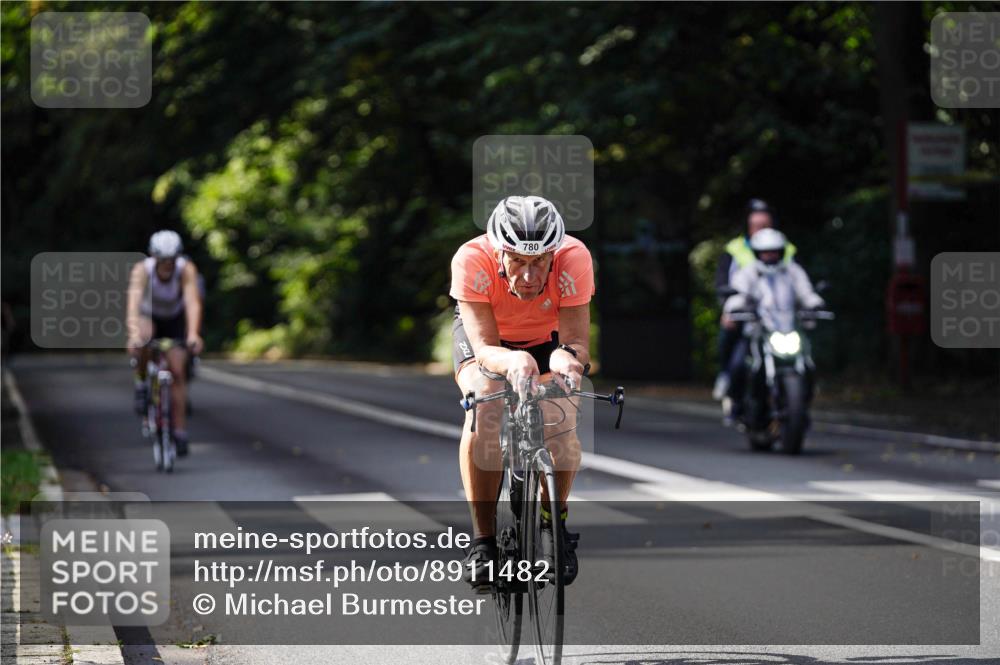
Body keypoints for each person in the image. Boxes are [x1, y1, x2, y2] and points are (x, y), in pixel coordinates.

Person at [450, 195, 594, 591]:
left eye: (540, 262)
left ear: (554, 253)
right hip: (490, 342)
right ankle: (482, 542)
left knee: (561, 416)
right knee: (484, 404)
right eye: (517, 261)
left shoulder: (575, 257)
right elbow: (483, 350)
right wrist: (513, 362)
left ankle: (554, 522)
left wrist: (568, 359)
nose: (529, 276)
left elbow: (577, 340)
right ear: (499, 253)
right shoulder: (471, 259)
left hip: (547, 340)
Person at [721, 228, 824, 421]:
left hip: (787, 330)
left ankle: (801, 406)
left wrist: (815, 304)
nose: (770, 255)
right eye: (766, 252)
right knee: (737, 366)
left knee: (809, 366)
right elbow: (738, 294)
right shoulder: (750, 273)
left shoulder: (792, 271)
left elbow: (806, 292)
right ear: (758, 253)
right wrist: (733, 309)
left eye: (774, 251)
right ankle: (737, 405)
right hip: (757, 332)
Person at [126, 230, 204, 456]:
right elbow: (133, 304)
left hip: (175, 318)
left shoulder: (186, 270)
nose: (168, 265)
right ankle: (141, 383)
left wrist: (193, 334)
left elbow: (192, 303)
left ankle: (179, 431)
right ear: (154, 258)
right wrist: (133, 334)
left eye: (172, 260)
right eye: (163, 261)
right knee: (142, 340)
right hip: (149, 316)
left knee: (178, 371)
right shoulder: (142, 270)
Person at [713, 199, 796, 401]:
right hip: (748, 319)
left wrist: (812, 303)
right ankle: (725, 376)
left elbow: (800, 283)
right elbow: (730, 286)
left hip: (781, 319)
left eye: (765, 226)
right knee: (735, 356)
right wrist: (728, 308)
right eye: (757, 226)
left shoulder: (787, 250)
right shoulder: (735, 250)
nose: (761, 231)